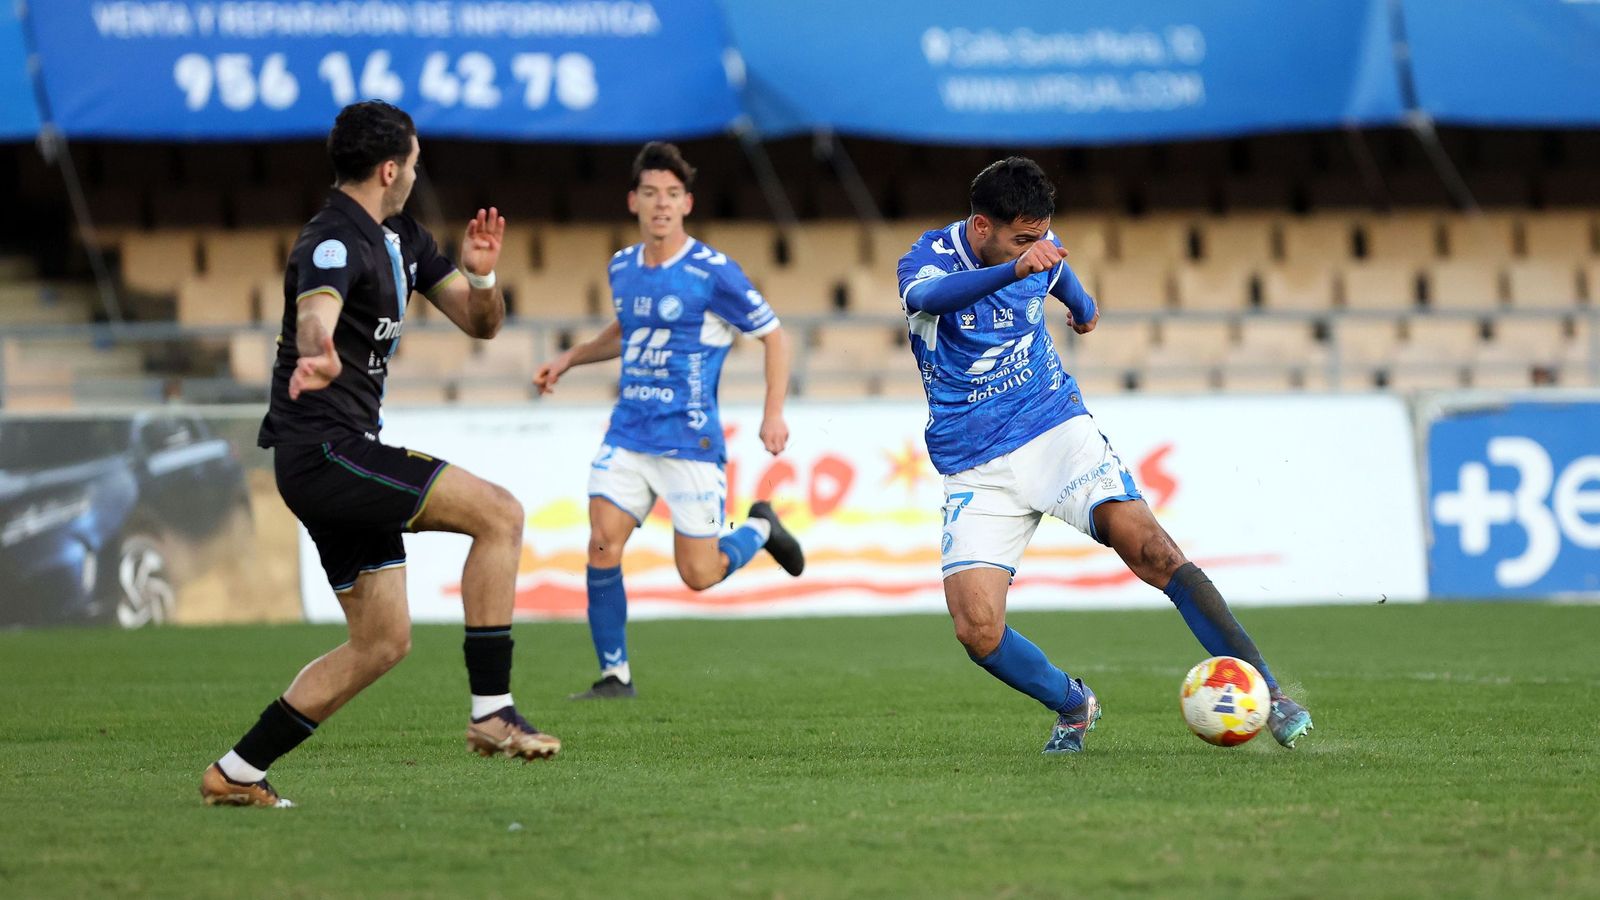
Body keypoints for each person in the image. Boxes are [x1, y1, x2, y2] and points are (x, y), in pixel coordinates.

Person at [201, 101, 559, 808]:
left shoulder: (399, 236)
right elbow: (315, 315)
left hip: (340, 453)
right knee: (501, 515)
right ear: (391, 168)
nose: (417, 175)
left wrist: (484, 278)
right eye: (416, 164)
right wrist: (319, 354)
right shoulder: (331, 240)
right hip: (325, 451)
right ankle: (492, 710)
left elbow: (479, 325)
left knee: (383, 640)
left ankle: (236, 772)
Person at [895, 157, 1313, 754]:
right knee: (977, 631)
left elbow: (1055, 269)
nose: (1039, 248)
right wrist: (1020, 265)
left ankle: (1270, 694)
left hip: (1054, 428)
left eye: (1042, 236)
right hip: (975, 466)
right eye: (1022, 240)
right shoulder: (927, 260)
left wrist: (1082, 304)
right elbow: (932, 297)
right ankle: (1073, 703)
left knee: (1153, 549)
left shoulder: (1036, 246)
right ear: (981, 227)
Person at [534, 142, 804, 700]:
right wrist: (569, 358)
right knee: (602, 543)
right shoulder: (623, 267)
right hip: (629, 432)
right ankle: (615, 676)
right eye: (651, 194)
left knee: (698, 574)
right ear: (634, 201)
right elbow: (627, 329)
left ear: (687, 204)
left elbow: (773, 335)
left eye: (673, 195)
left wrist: (771, 411)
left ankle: (760, 528)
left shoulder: (712, 272)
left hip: (689, 439)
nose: (661, 204)